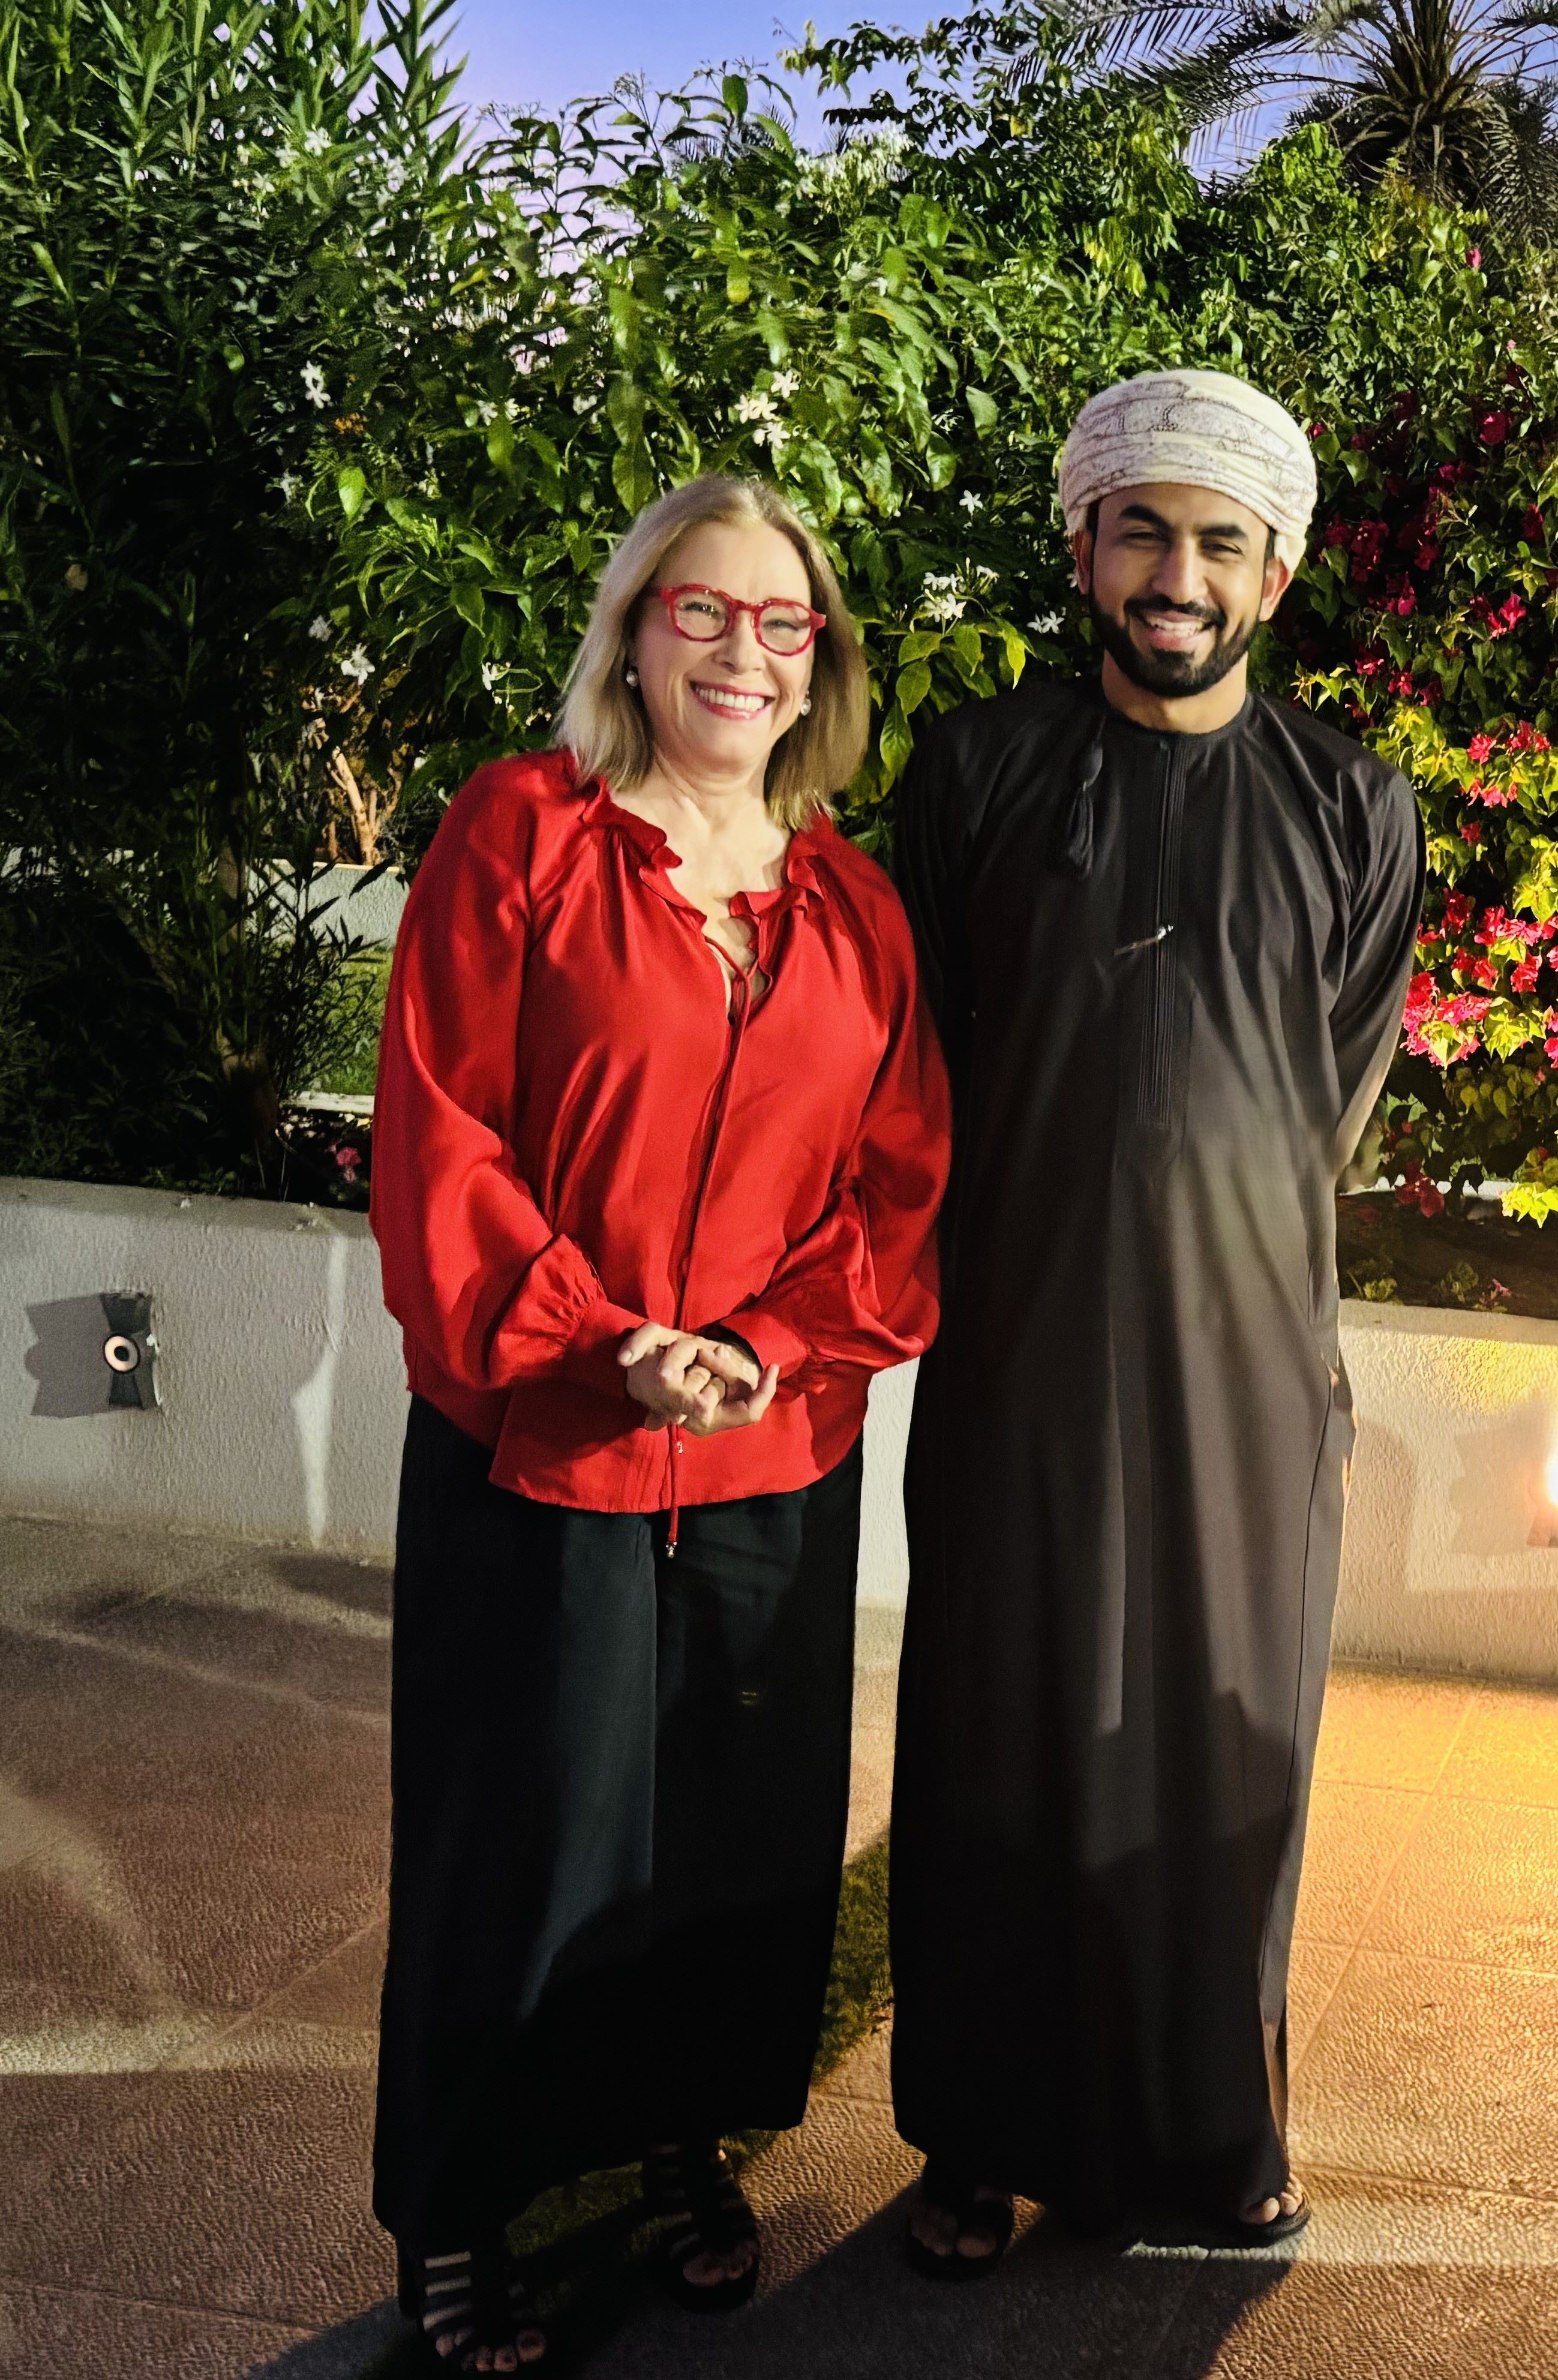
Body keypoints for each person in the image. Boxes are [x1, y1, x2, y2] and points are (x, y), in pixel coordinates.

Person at [368, 474, 951, 2370]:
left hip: (771, 1451)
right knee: (520, 1845)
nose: (740, 650)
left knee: (736, 1836)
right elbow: (443, 1129)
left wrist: (772, 1344)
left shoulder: (854, 907)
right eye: (699, 609)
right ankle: (462, 2204)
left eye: (780, 622)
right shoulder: (520, 832)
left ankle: (679, 2141)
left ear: (820, 665)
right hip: (543, 1439)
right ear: (631, 633)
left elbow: (896, 1180)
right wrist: (600, 1339)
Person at [887, 370, 1426, 2273]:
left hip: (1250, 1367)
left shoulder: (1354, 806)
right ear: (1084, 546)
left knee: (1227, 1736)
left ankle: (1214, 2131)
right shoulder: (973, 775)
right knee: (995, 1722)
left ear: (1273, 574)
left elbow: (1331, 1091)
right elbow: (920, 1063)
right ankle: (976, 2135)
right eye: (1142, 532)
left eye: (1215, 542)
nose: (1174, 574)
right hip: (1018, 1350)